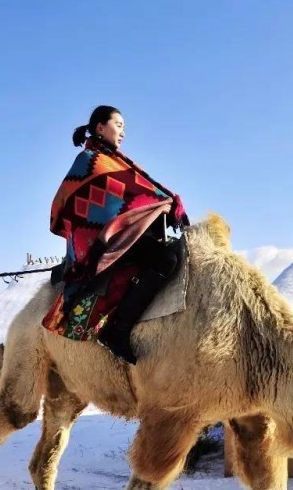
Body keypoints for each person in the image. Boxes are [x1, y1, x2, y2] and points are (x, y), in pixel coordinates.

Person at [48, 105, 188, 364]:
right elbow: (104, 201)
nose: (123, 132)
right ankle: (118, 330)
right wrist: (160, 203)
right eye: (119, 125)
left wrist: (162, 206)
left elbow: (135, 194)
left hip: (120, 235)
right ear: (101, 127)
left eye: (124, 127)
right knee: (165, 260)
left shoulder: (114, 160)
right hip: (103, 242)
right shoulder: (89, 161)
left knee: (170, 251)